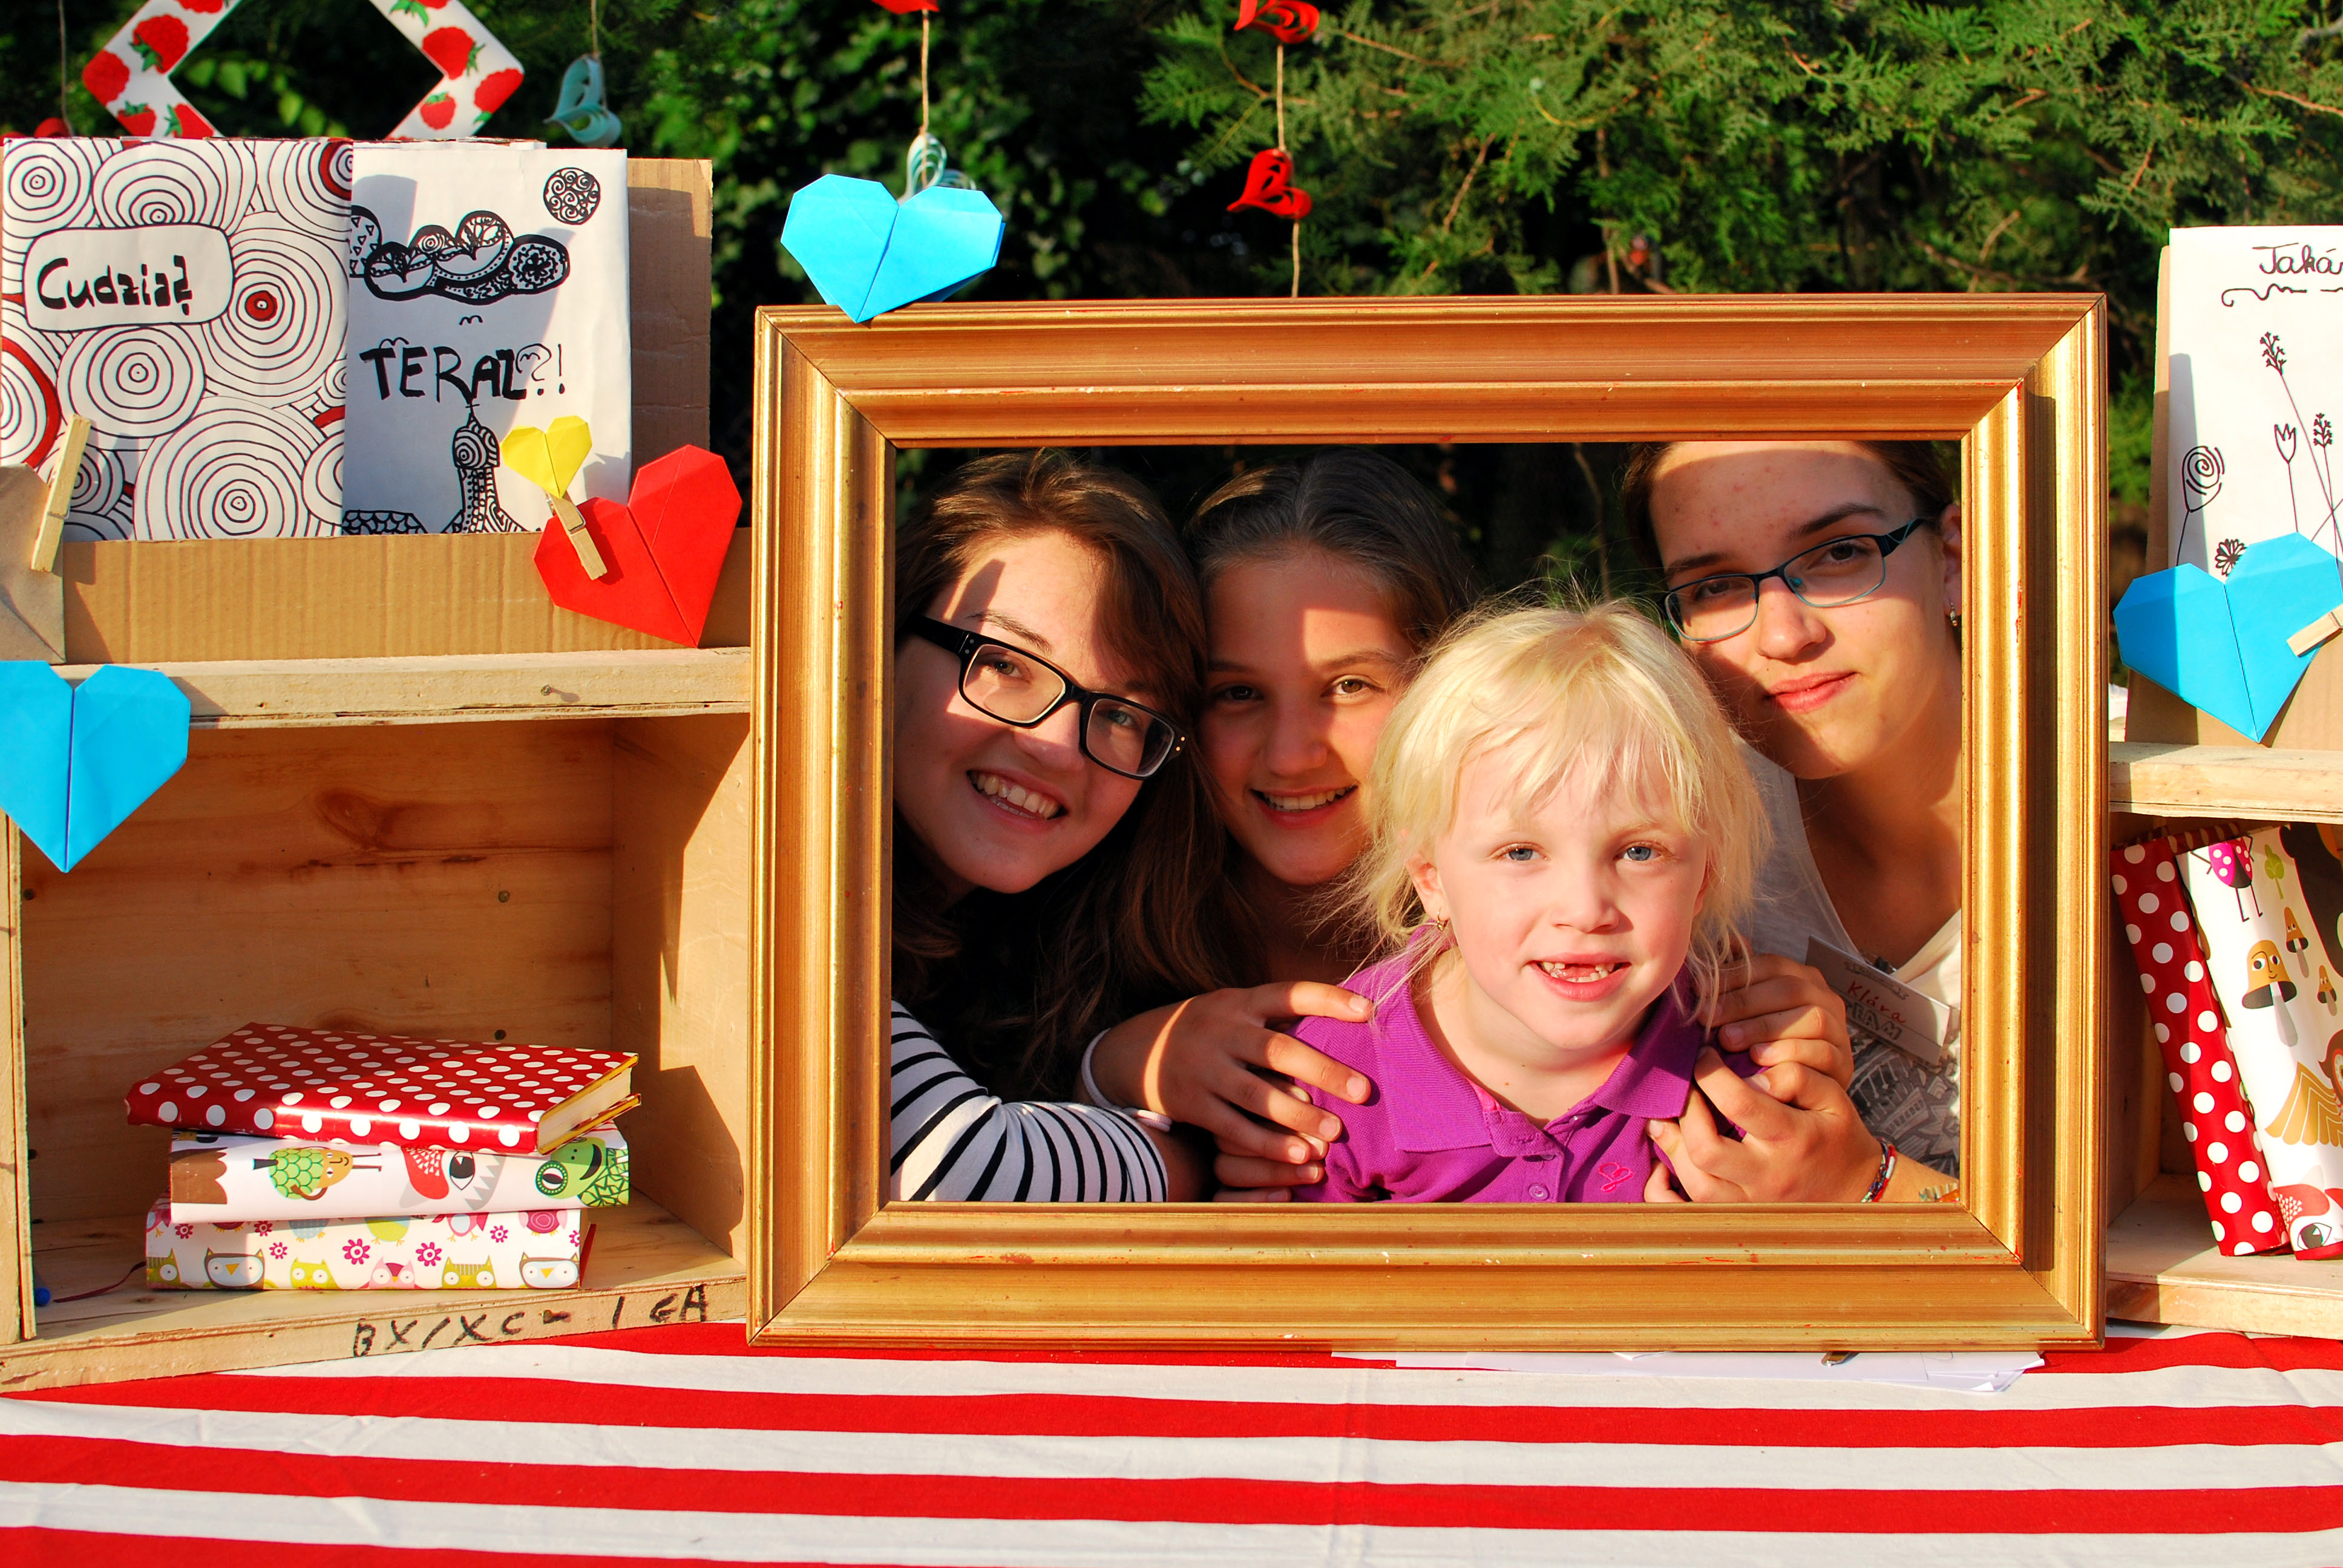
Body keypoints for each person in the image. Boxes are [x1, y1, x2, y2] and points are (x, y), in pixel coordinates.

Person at [1284, 601, 1804, 1204]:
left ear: (1703, 877)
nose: (1585, 910)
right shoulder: (1329, 1084)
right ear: (1430, 879)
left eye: (1639, 852)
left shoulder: (1745, 1071)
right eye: (1521, 853)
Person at [1076, 451, 1478, 1182]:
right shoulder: (1084, 931)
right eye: (1238, 694)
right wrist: (1112, 1068)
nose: (1292, 756)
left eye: (1349, 685)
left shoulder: (1549, 933)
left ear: (1443, 685)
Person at [1628, 439, 1964, 1199]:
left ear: (1951, 557)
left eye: (1840, 553)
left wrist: (1862, 1188)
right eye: (1715, 587)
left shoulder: (2149, 808)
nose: (1785, 637)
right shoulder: (1670, 830)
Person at [888, 451, 1223, 1202]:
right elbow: (958, 1173)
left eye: (1122, 714)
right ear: (883, 643)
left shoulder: (1067, 955)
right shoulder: (749, 877)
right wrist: (1189, 1163)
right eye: (1006, 664)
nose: (1059, 747)